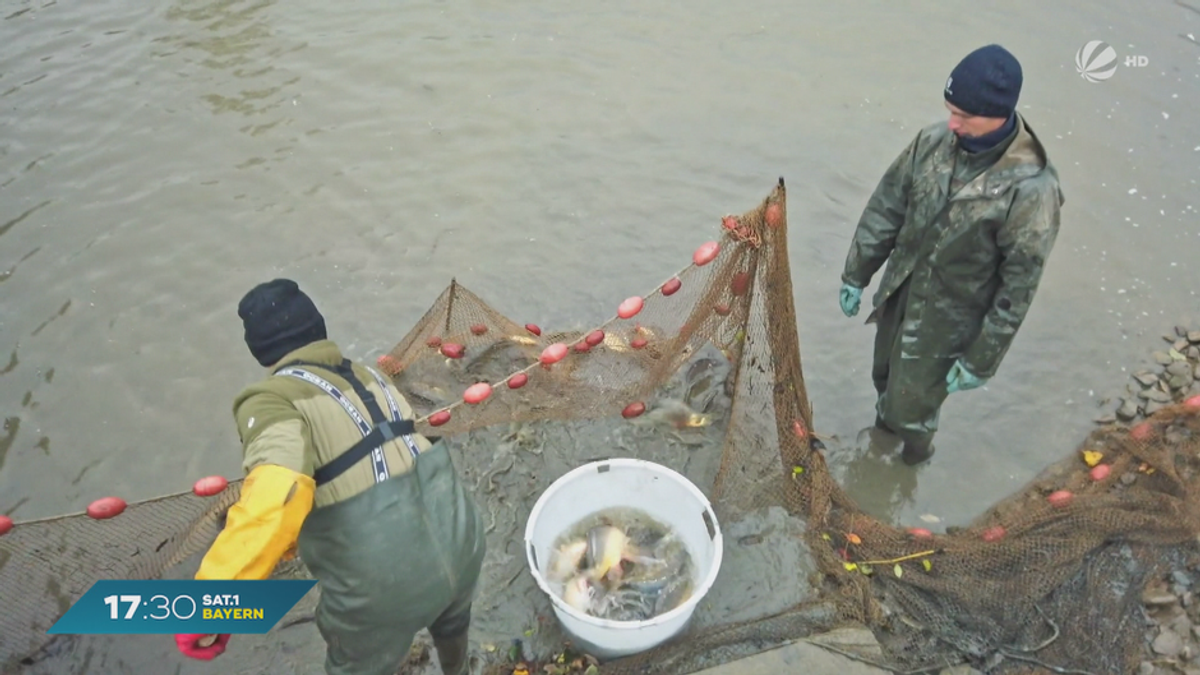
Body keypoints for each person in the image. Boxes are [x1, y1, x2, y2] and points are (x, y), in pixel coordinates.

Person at [173, 278, 487, 675]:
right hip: (463, 542)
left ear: (261, 351)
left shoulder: (270, 399)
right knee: (452, 628)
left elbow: (279, 491)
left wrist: (210, 606)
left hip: (386, 584)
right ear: (317, 327)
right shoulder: (373, 377)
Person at [838, 44, 1065, 466]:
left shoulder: (1033, 189)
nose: (951, 123)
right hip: (901, 292)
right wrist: (857, 272)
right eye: (949, 110)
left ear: (999, 114)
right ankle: (881, 442)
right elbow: (887, 206)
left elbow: (1019, 286)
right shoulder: (932, 141)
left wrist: (982, 359)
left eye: (964, 117)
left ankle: (913, 461)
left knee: (914, 407)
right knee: (884, 377)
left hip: (949, 318)